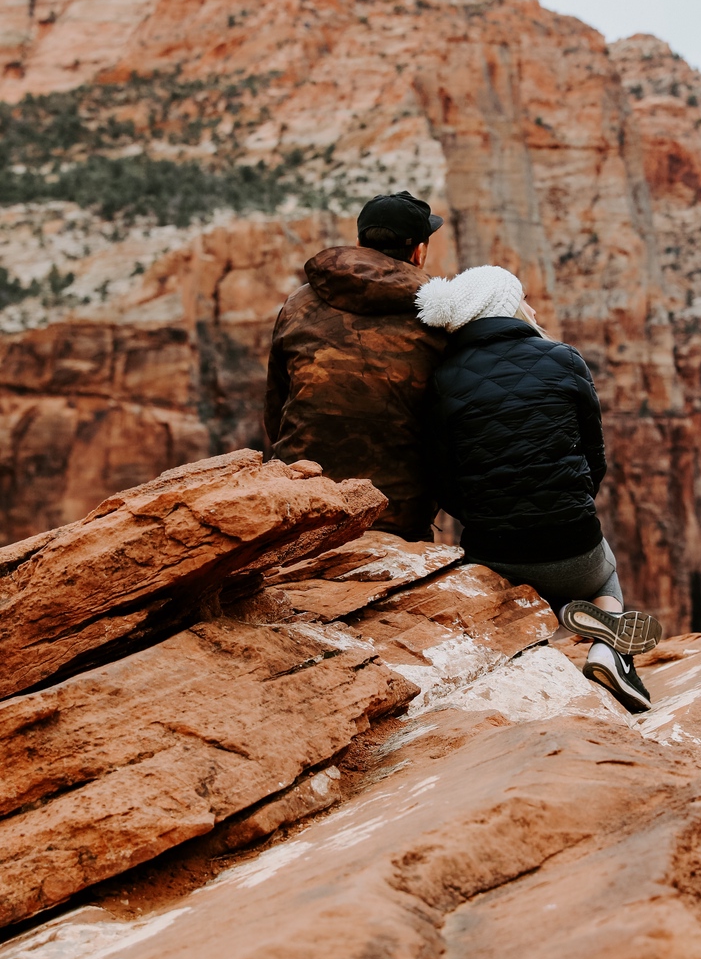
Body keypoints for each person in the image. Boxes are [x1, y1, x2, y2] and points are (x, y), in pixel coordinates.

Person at [417, 264, 661, 713]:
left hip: (495, 552)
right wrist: (571, 501)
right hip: (572, 540)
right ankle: (611, 651)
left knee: (510, 585)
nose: (530, 304)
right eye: (521, 296)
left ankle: (529, 669)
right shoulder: (563, 358)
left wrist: (486, 517)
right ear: (507, 306)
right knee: (604, 575)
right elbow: (595, 455)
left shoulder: (442, 378)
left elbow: (441, 477)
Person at [265, 191, 447, 539]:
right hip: (398, 516)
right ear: (419, 252)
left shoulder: (299, 302)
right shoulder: (438, 313)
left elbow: (277, 406)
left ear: (360, 243)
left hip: (301, 503)